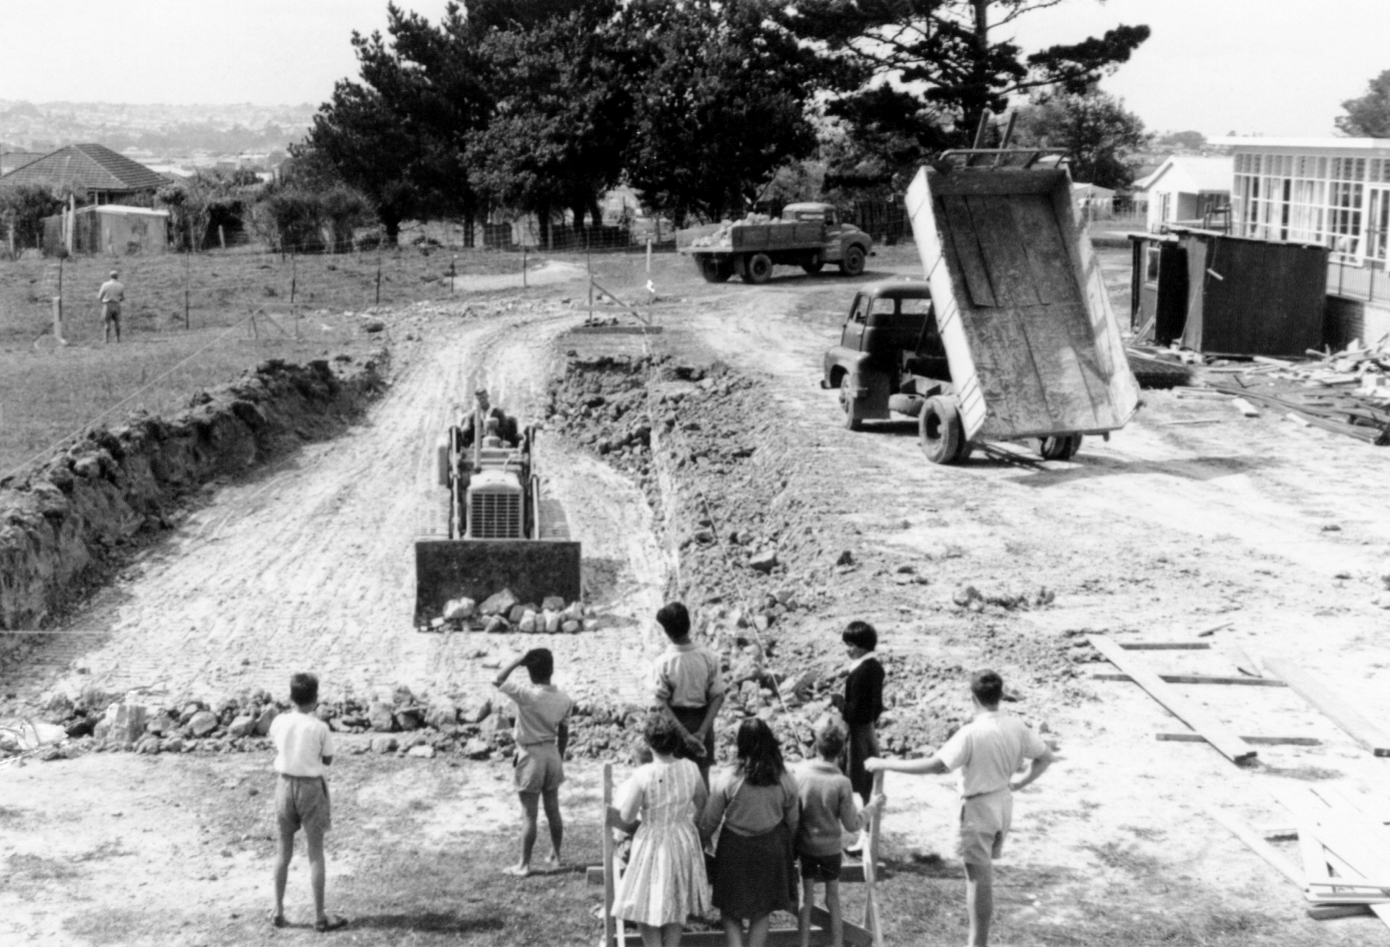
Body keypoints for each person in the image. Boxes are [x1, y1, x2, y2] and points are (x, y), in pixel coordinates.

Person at [866, 670, 1054, 947]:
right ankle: (978, 940)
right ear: (1000, 696)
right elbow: (1045, 757)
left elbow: (935, 765)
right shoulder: (1016, 725)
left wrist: (886, 764)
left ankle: (977, 943)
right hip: (1002, 802)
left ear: (972, 698)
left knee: (977, 878)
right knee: (982, 873)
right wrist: (1020, 784)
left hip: (978, 807)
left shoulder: (971, 732)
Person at [609, 713, 712, 947]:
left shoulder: (643, 774)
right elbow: (703, 802)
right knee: (675, 900)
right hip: (682, 835)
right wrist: (689, 824)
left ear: (650, 742)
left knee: (643, 901)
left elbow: (626, 815)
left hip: (654, 838)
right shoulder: (691, 768)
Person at [700, 718, 800, 947]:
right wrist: (791, 849)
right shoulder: (785, 778)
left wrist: (701, 841)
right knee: (762, 910)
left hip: (735, 849)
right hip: (770, 848)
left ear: (741, 744)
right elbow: (794, 821)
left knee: (730, 908)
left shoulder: (729, 777)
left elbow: (710, 820)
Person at [268, 672, 347, 932]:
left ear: (290, 697)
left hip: (284, 785)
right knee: (315, 852)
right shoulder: (319, 727)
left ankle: (278, 910)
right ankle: (320, 916)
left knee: (283, 851)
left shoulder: (280, 721)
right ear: (315, 699)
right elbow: (327, 760)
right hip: (310, 787)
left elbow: (277, 745)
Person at [793, 724, 881, 947]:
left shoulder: (801, 774)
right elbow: (852, 825)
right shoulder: (842, 782)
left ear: (816, 745)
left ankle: (803, 944)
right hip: (831, 850)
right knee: (833, 898)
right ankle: (837, 944)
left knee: (807, 898)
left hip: (806, 848)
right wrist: (871, 808)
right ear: (841, 751)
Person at [494, 648, 574, 876]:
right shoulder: (565, 699)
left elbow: (497, 679)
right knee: (553, 809)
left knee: (529, 813)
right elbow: (564, 733)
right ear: (552, 669)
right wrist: (558, 756)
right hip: (552, 753)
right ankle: (556, 855)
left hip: (530, 754)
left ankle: (524, 864)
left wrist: (517, 660)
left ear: (530, 672)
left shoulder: (527, 695)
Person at [651, 601, 726, 786]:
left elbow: (660, 702)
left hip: (674, 726)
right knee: (702, 781)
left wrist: (684, 735)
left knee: (673, 784)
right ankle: (703, 816)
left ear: (666, 632)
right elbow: (718, 696)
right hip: (703, 720)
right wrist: (701, 732)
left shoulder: (663, 662)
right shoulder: (709, 657)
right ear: (689, 625)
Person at [833, 620, 883, 853]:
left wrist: (839, 702)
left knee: (860, 786)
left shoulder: (862, 671)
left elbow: (855, 712)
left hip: (857, 734)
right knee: (865, 787)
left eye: (851, 644)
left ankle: (864, 836)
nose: (848, 649)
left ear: (863, 645)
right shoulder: (874, 667)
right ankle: (865, 836)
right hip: (868, 730)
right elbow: (876, 707)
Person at [97, 270, 124, 344]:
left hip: (107, 304)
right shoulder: (120, 285)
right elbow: (122, 297)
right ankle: (118, 339)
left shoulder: (105, 285)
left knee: (107, 322)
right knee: (117, 322)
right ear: (117, 276)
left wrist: (102, 301)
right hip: (117, 304)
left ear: (110, 276)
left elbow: (100, 296)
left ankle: (106, 339)